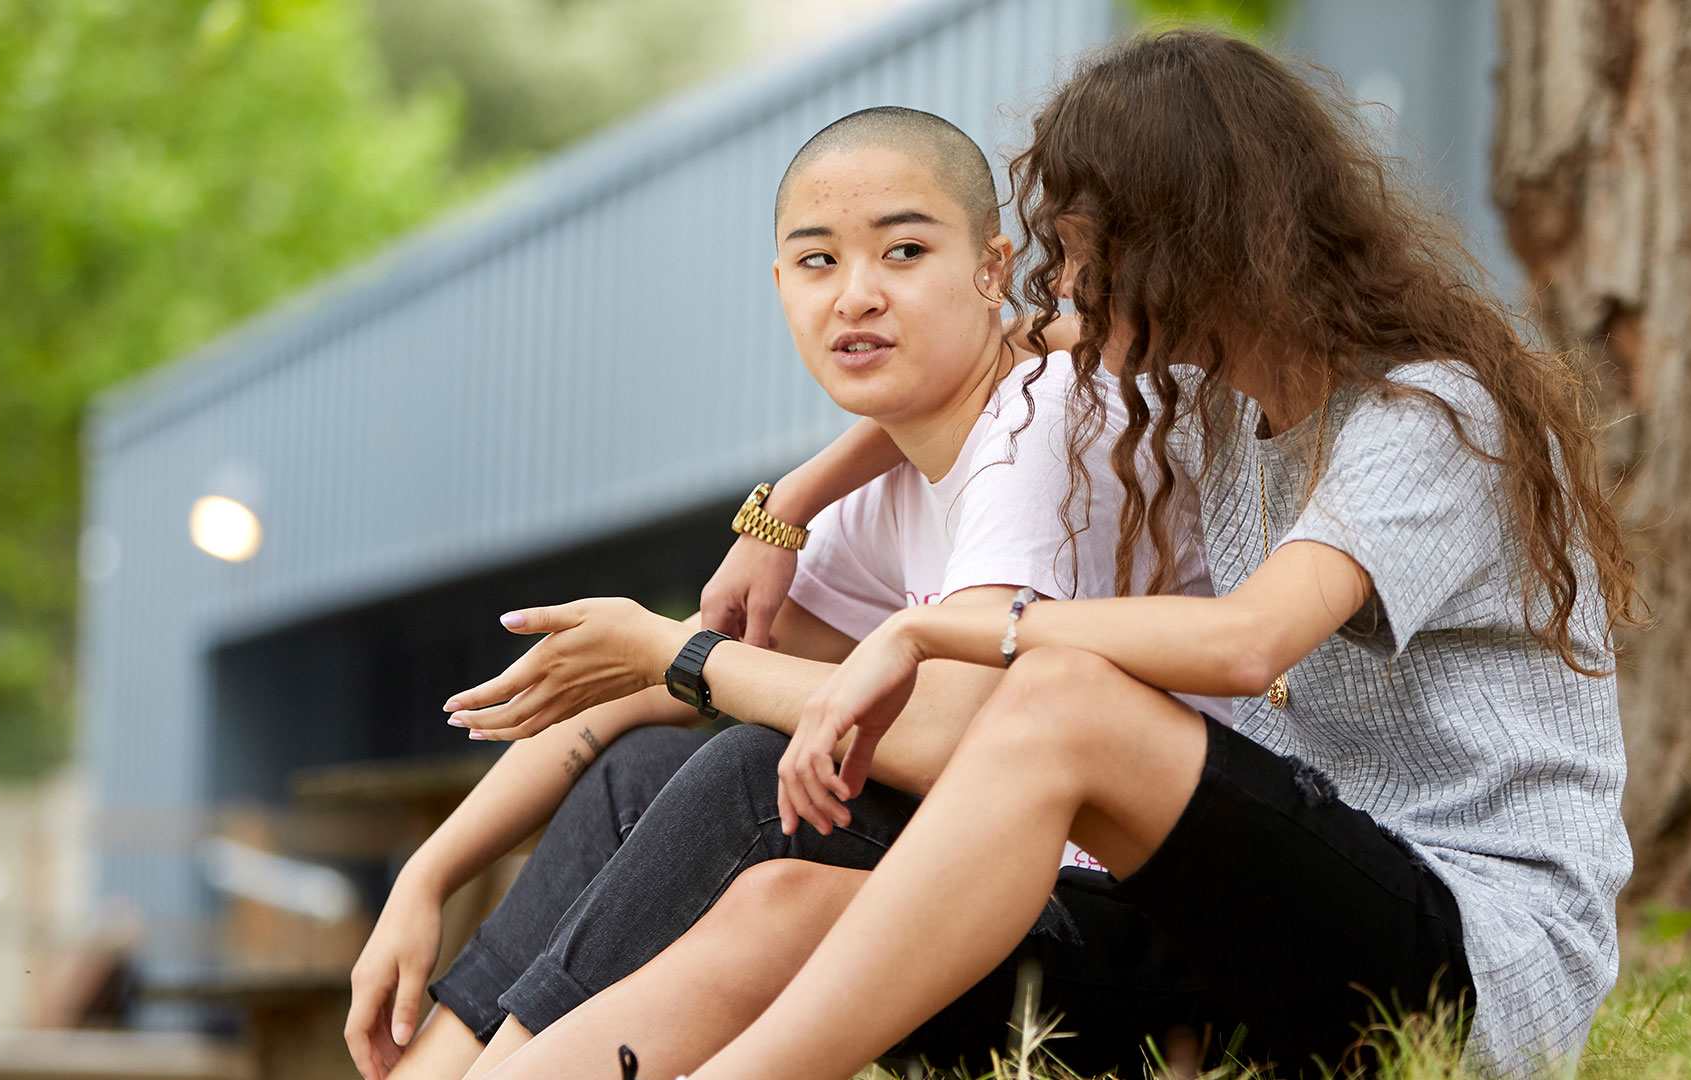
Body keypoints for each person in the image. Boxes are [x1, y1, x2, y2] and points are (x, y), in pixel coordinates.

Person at [651, 29, 1643, 1080]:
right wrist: (787, 509)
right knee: (787, 903)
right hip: (1271, 943)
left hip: (1471, 971)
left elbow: (1252, 643)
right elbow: (985, 358)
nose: (1064, 281)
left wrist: (936, 625)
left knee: (1063, 698)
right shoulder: (1213, 403)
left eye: (1085, 248)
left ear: (1196, 241)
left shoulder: (1432, 417)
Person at [346, 106, 1220, 1080]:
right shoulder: (887, 485)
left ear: (991, 265)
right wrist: (427, 875)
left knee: (752, 772)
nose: (856, 296)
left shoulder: (1040, 419)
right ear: (779, 286)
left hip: (1135, 922)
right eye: (817, 262)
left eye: (902, 250)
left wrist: (674, 647)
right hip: (985, 884)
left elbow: (935, 736)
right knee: (643, 768)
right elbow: (673, 679)